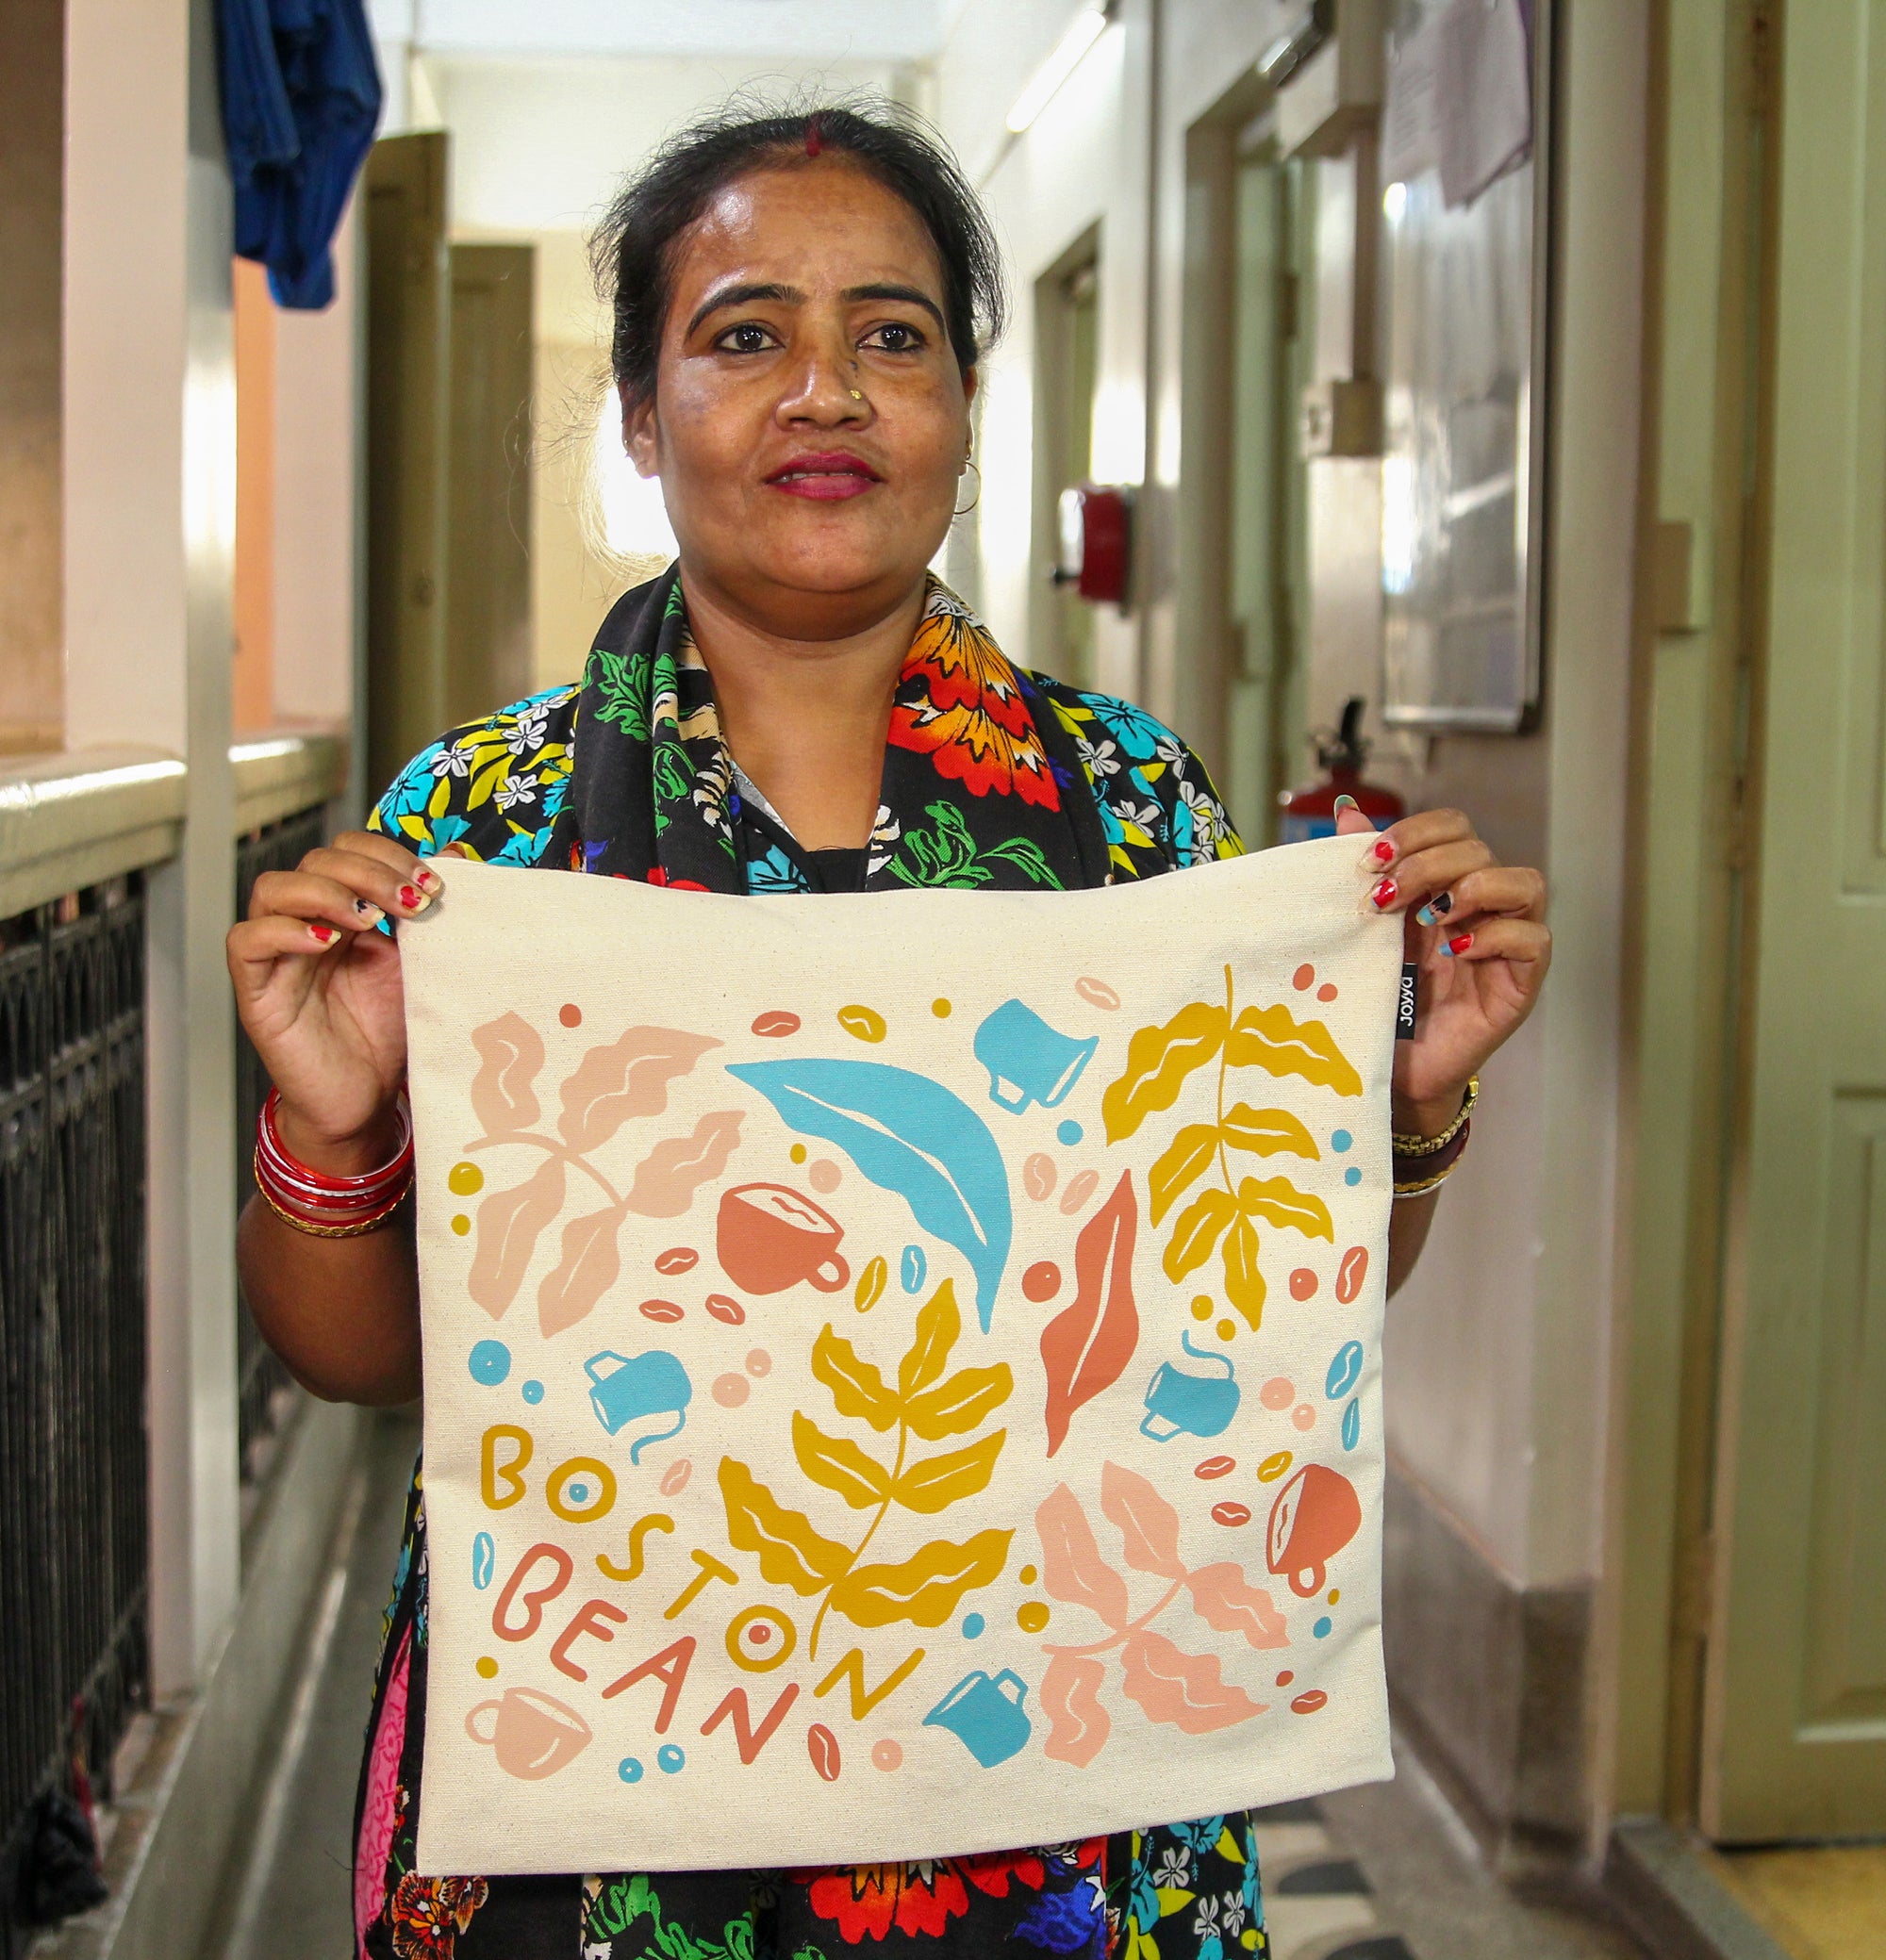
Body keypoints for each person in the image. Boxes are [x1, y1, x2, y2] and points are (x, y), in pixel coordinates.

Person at [227, 102, 1550, 1960]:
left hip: (1049, 1773)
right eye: (746, 332)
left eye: (893, 334)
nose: (827, 389)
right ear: (639, 413)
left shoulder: (1134, 814)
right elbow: (369, 1361)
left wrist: (1395, 1115)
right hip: (612, 1760)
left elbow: (1250, 1313)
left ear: (961, 407)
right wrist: (334, 1127)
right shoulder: (483, 827)